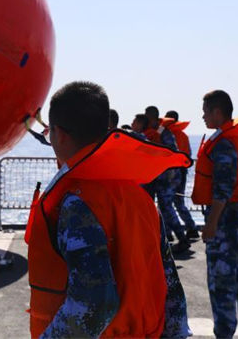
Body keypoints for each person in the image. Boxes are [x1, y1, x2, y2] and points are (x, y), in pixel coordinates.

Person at [25, 82, 190, 338]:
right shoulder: (141, 198)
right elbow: (171, 287)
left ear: (59, 134)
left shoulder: (76, 204)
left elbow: (96, 303)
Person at [192, 90, 238, 339]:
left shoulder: (223, 143)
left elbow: (222, 188)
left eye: (206, 111)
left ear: (217, 112)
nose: (203, 116)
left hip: (226, 221)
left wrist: (211, 224)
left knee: (222, 283)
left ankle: (224, 333)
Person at [143, 106, 191, 254]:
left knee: (166, 208)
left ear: (153, 118)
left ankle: (182, 239)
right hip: (154, 177)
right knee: (154, 207)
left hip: (166, 178)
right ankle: (161, 237)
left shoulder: (165, 133)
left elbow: (172, 152)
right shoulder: (150, 133)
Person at [164, 110, 199, 240]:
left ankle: (168, 232)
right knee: (179, 202)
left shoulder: (167, 135)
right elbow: (188, 154)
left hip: (171, 173)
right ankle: (191, 227)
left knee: (166, 203)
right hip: (182, 172)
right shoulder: (183, 135)